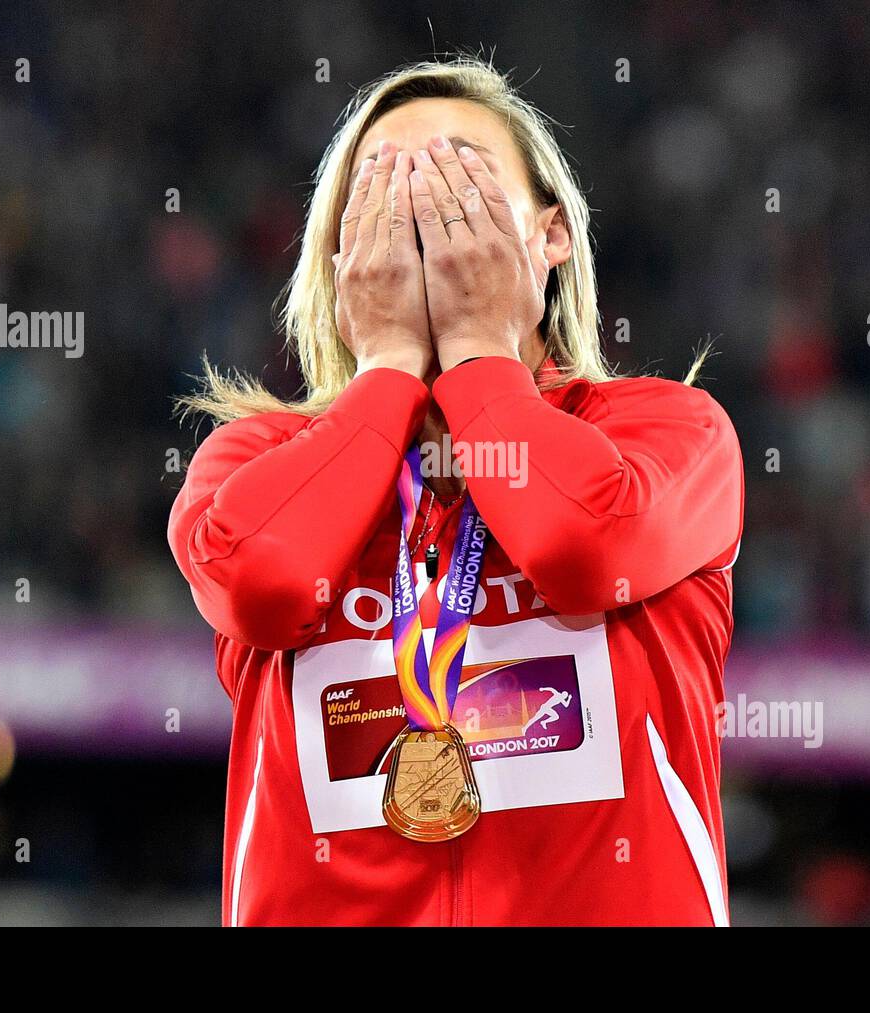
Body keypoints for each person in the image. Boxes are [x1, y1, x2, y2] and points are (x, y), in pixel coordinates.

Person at [168, 57, 744, 926]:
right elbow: (266, 585)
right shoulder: (255, 456)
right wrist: (390, 367)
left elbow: (580, 547)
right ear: (340, 255)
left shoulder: (669, 432)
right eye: (383, 183)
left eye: (460, 172)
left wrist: (479, 350)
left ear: (551, 236)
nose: (423, 204)